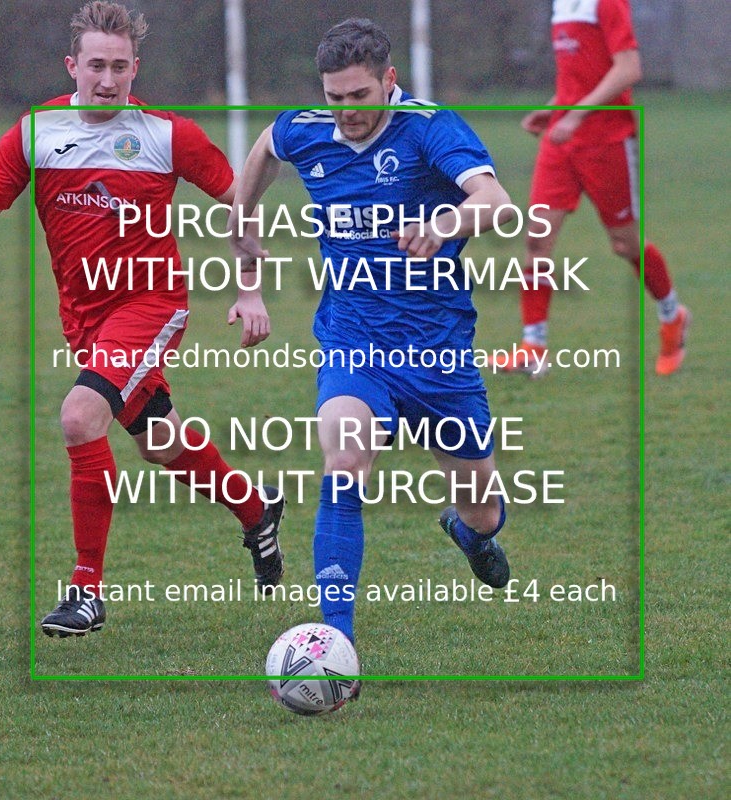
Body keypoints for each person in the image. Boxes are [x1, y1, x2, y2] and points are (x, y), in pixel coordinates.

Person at [0, 2, 284, 637]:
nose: (106, 79)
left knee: (80, 417)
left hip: (151, 306)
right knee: (161, 443)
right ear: (72, 65)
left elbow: (243, 201)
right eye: (95, 65)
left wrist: (250, 287)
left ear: (135, 69)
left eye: (119, 67)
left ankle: (86, 591)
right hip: (85, 319)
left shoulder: (167, 135)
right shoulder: (33, 134)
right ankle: (257, 511)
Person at [229, 18, 513, 648]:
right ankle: (338, 644)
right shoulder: (304, 131)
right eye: (334, 97)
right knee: (344, 460)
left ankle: (470, 533)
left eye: (358, 96)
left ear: (389, 80)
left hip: (438, 351)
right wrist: (248, 279)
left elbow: (497, 202)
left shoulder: (430, 128)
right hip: (354, 342)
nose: (346, 112)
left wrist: (446, 222)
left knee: (482, 510)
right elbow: (255, 167)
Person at [492, 0, 690, 378]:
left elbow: (628, 68)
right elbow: (579, 79)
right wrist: (554, 110)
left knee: (625, 245)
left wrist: (578, 114)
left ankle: (673, 316)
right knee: (536, 239)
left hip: (608, 140)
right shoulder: (561, 6)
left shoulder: (608, 3)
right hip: (563, 138)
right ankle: (533, 347)